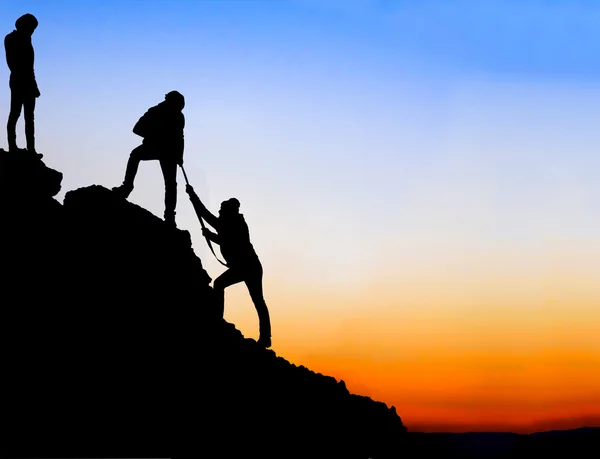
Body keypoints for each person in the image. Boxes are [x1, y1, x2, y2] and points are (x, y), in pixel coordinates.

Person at [186, 184, 272, 348]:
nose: (219, 211)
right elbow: (225, 237)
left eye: (221, 209)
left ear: (227, 211)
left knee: (222, 285)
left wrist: (192, 195)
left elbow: (206, 216)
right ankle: (265, 337)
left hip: (247, 267)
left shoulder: (231, 223)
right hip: (250, 266)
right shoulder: (232, 223)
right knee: (257, 300)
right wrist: (211, 235)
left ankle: (218, 320)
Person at [112, 91, 185, 227]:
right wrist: (155, 136)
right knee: (135, 155)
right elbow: (137, 129)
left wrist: (180, 156)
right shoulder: (155, 112)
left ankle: (170, 215)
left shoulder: (179, 116)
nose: (178, 110)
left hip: (169, 152)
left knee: (170, 183)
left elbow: (180, 137)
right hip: (156, 147)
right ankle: (127, 187)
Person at [5, 13, 42, 158]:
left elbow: (29, 65)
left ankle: (31, 149)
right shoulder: (13, 38)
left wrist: (34, 85)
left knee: (28, 117)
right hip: (19, 80)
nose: (32, 31)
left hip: (26, 82)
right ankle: (13, 147)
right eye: (32, 27)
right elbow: (17, 64)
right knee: (15, 114)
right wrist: (31, 83)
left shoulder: (25, 38)